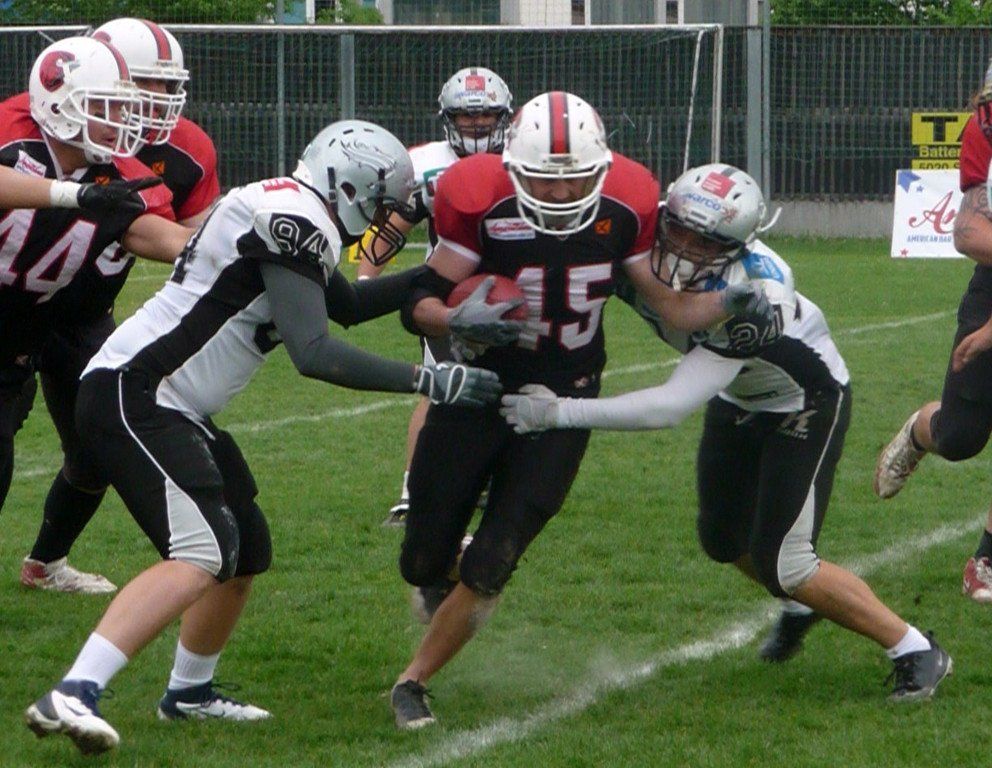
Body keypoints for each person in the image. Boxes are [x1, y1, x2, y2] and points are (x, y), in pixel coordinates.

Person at [23, 118, 502, 756]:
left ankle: (189, 694)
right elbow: (315, 352)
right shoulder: (292, 219)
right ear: (350, 184)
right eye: (379, 203)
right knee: (201, 552)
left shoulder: (289, 207)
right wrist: (431, 378)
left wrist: (437, 287)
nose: (379, 219)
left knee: (245, 548)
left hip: (169, 399)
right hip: (140, 391)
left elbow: (346, 305)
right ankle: (74, 691)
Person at [388, 92, 774, 729]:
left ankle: (413, 682)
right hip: (477, 389)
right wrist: (455, 320)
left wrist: (731, 302)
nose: (561, 193)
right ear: (513, 166)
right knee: (420, 560)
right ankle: (445, 567)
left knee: (495, 558)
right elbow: (416, 302)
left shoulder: (627, 200)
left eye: (575, 179)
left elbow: (670, 306)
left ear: (603, 168)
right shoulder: (477, 196)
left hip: (565, 390)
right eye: (544, 178)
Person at [501, 162, 953, 702]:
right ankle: (802, 606)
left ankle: (914, 648)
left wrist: (555, 412)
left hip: (802, 401)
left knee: (787, 562)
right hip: (738, 394)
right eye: (679, 230)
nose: (685, 249)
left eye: (707, 242)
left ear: (737, 246)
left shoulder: (757, 291)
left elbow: (670, 405)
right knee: (722, 540)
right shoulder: (635, 237)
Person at [21, 17, 222, 595]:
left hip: (85, 314)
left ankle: (45, 563)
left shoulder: (187, 149)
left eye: (168, 86)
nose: (160, 99)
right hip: (15, 302)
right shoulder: (33, 127)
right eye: (147, 83)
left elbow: (186, 239)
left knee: (97, 447)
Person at [356, 66, 513, 526]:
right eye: (466, 115)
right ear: (448, 119)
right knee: (439, 386)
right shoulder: (426, 164)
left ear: (504, 117)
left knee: (512, 387)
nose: (477, 124)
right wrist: (364, 283)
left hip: (513, 292)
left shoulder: (525, 158)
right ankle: (413, 491)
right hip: (446, 293)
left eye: (486, 115)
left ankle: (491, 478)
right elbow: (394, 227)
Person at [873, 64, 992, 603]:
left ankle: (986, 559)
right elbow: (967, 231)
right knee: (961, 437)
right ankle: (923, 430)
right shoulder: (984, 128)